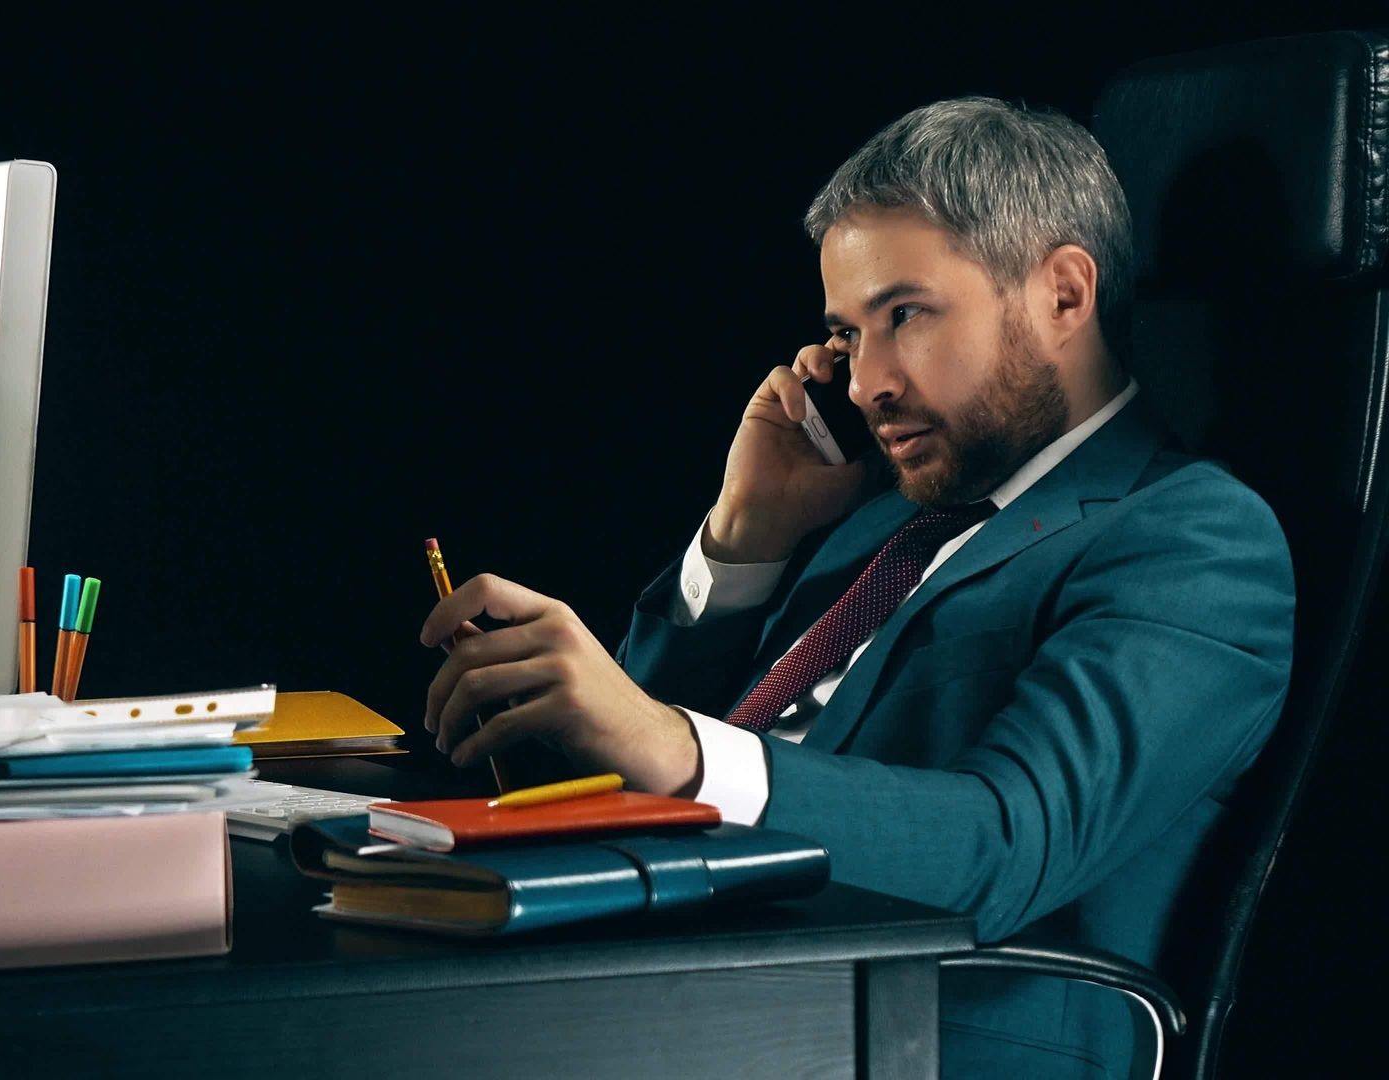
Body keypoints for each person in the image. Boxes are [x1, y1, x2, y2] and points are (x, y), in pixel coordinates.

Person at [419, 96, 1293, 1078]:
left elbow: (1001, 848)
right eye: (847, 331)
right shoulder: (884, 519)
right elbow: (638, 777)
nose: (867, 380)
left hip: (899, 1040)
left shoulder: (1194, 539)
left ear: (1063, 293)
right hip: (701, 995)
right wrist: (744, 542)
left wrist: (665, 741)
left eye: (904, 315)